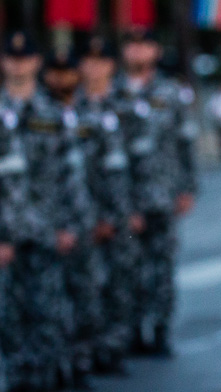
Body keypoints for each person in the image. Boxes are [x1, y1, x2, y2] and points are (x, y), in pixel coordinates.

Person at [0, 31, 89, 391]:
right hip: (5, 238)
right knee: (8, 317)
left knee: (49, 312)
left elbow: (73, 172)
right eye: (12, 58)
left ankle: (47, 378)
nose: (18, 64)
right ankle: (20, 380)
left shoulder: (54, 114)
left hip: (48, 230)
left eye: (25, 59)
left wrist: (71, 224)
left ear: (37, 63)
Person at [115, 29, 197, 355]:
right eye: (132, 45)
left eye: (144, 44)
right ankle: (131, 331)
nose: (138, 51)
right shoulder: (113, 93)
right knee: (127, 266)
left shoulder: (171, 92)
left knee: (162, 266)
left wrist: (188, 187)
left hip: (162, 193)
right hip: (124, 196)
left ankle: (160, 330)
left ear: (155, 49)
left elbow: (186, 141)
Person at [76, 35, 136, 373]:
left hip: (122, 210)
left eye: (101, 61)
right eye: (88, 60)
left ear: (111, 66)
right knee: (86, 285)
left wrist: (135, 208)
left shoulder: (126, 106)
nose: (94, 68)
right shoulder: (70, 108)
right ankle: (84, 352)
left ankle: (114, 347)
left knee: (119, 282)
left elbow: (143, 161)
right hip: (82, 212)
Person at [43, 48, 101, 387]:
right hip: (50, 226)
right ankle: (50, 368)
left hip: (88, 220)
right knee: (50, 301)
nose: (62, 79)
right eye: (56, 72)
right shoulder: (40, 116)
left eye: (68, 72)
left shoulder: (88, 114)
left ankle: (81, 364)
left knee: (86, 296)